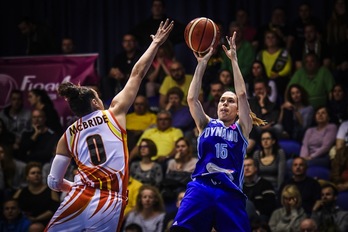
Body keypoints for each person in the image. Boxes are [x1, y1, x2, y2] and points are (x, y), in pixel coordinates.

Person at [44, 19, 174, 232]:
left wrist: (73, 187)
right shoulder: (113, 113)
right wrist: (156, 43)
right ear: (95, 102)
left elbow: (53, 182)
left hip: (77, 197)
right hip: (108, 200)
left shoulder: (67, 135)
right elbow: (137, 73)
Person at [170, 32, 265, 231]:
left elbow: (241, 93)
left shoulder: (242, 127)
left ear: (238, 109)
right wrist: (202, 63)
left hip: (229, 192)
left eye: (230, 101)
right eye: (222, 100)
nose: (225, 103)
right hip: (201, 188)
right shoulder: (206, 124)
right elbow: (191, 99)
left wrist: (234, 60)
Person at [13, 162, 60, 227]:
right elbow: (13, 204)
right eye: (33, 173)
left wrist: (36, 219)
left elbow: (54, 209)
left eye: (39, 173)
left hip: (46, 223)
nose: (36, 175)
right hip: (23, 222)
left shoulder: (51, 191)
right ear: (27, 177)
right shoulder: (21, 191)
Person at [243, 157, 277, 222]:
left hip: (260, 218)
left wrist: (256, 212)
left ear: (256, 168)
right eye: (244, 166)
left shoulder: (265, 184)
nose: (246, 168)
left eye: (249, 165)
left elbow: (270, 206)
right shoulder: (239, 186)